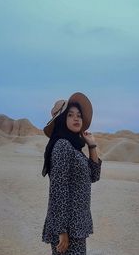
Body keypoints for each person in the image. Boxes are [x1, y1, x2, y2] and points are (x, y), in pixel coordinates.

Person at [41, 92, 102, 254]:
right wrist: (62, 231)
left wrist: (92, 146)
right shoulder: (62, 146)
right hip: (67, 228)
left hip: (76, 226)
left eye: (79, 116)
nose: (76, 119)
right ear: (61, 119)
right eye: (70, 115)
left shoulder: (75, 148)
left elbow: (94, 176)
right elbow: (58, 189)